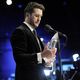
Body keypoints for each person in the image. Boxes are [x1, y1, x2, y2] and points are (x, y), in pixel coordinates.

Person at [10, 2, 57, 80]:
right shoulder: (20, 31)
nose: (39, 19)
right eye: (36, 16)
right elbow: (19, 58)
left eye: (41, 17)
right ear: (27, 15)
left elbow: (37, 62)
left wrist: (47, 61)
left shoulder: (35, 34)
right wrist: (42, 55)